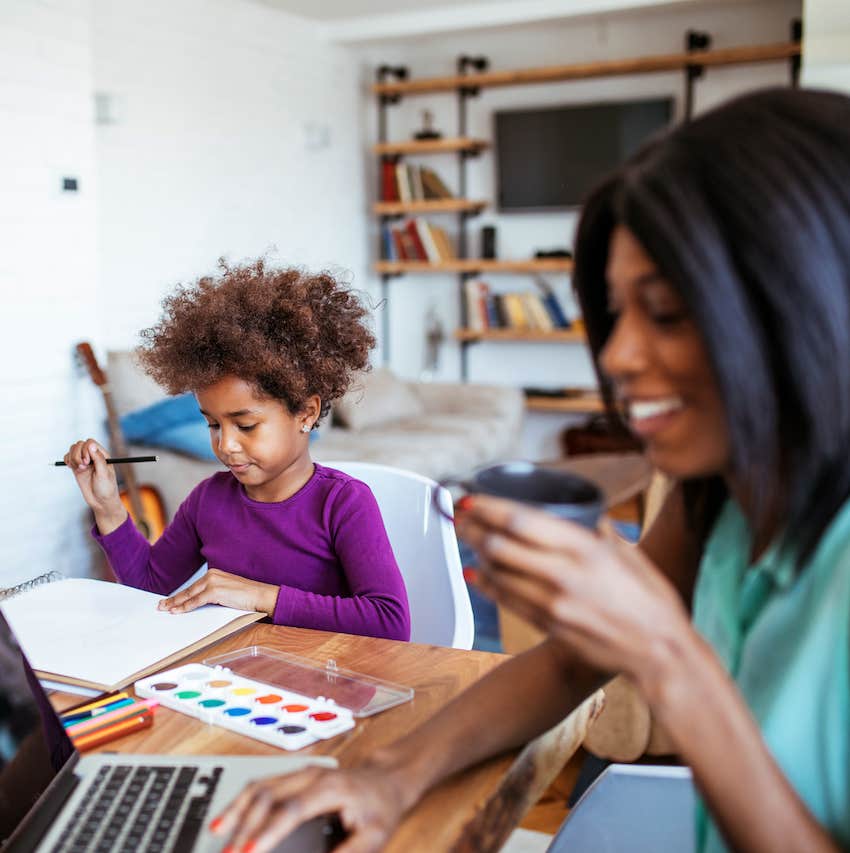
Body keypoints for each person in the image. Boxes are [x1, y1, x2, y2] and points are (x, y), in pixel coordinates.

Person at [209, 87, 850, 853]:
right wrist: (389, 775)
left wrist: (667, 654)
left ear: (808, 302)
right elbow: (576, 660)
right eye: (617, 314)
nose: (615, 356)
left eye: (668, 314)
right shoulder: (720, 495)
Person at [64, 260, 410, 641]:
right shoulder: (208, 500)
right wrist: (108, 507)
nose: (225, 445)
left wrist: (261, 597)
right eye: (213, 424)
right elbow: (149, 587)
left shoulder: (343, 502)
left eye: (246, 425)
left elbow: (389, 622)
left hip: (326, 678)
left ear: (306, 413)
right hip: (237, 676)